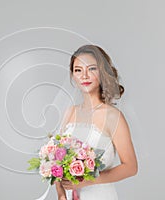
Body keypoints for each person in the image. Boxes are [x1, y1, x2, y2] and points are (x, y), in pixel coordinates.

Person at [55, 44, 138, 200]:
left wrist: (87, 181)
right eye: (78, 70)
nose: (84, 76)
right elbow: (57, 162)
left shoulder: (113, 117)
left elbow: (131, 167)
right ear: (72, 75)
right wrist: (61, 195)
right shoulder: (70, 112)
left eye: (91, 69)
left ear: (102, 73)